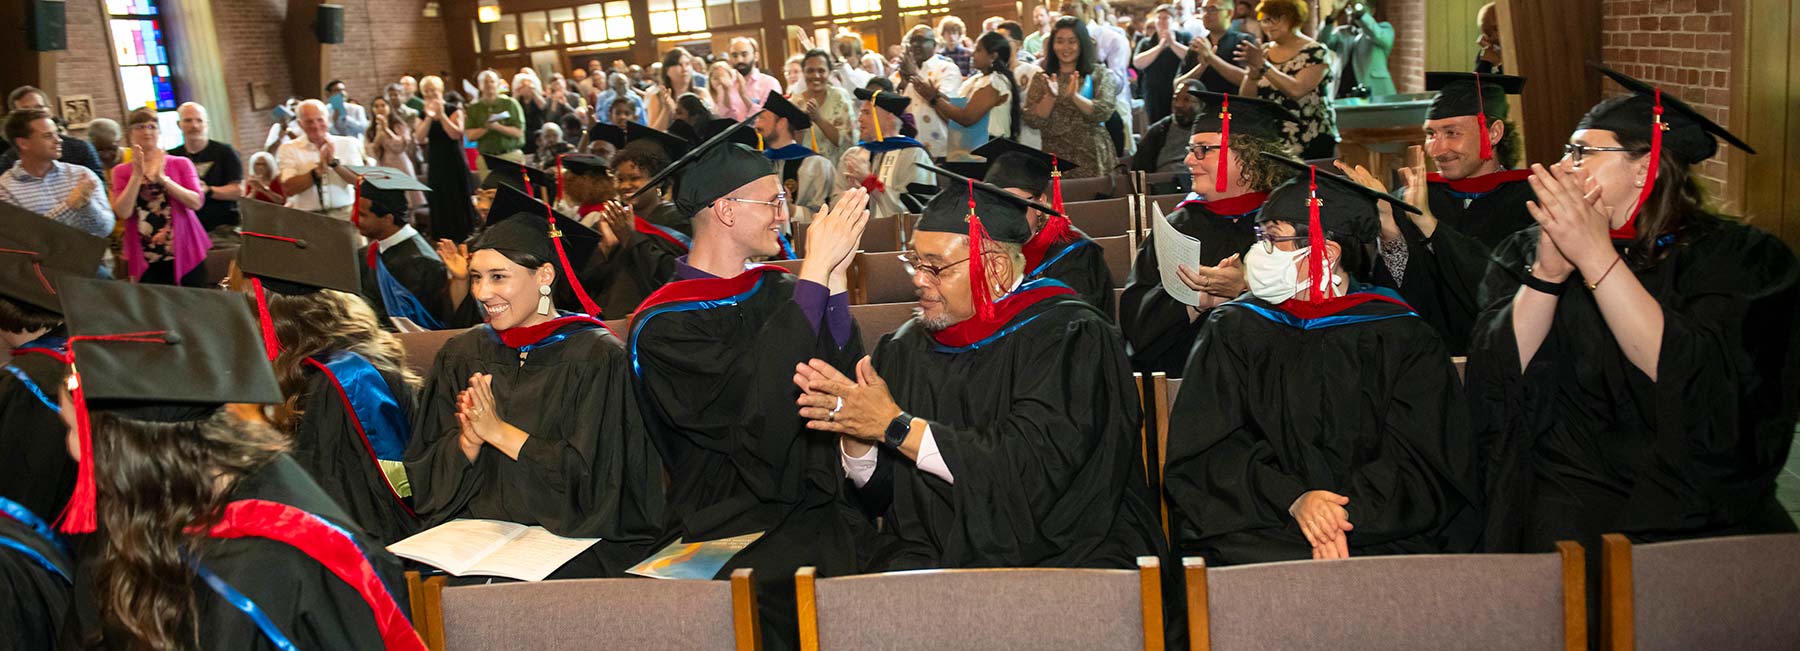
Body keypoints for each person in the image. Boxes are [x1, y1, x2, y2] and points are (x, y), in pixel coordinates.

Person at [1470, 65, 1796, 567]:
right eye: (1566, 151)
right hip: (1567, 493)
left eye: (1583, 153)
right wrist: (1547, 276)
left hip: (1695, 498)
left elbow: (1697, 385)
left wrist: (1596, 257)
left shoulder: (1741, 260)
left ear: (1645, 168)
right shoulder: (1525, 251)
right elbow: (1496, 376)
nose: (1564, 167)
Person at [795, 177, 1161, 574]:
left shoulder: (1072, 338)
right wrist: (858, 436)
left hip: (1062, 551)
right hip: (931, 555)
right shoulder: (904, 349)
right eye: (914, 262)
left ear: (997, 268)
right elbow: (886, 496)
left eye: (935, 267)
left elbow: (1032, 472)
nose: (919, 279)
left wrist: (895, 427)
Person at [52, 279, 426, 650]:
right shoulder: (147, 521)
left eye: (73, 430)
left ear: (130, 447)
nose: (70, 449)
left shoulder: (271, 566)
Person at [1164, 153, 1482, 565]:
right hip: (1267, 523)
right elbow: (1208, 450)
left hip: (1382, 531)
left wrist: (1338, 518)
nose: (1258, 253)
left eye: (1272, 240)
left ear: (1326, 251)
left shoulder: (1400, 333)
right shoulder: (1236, 328)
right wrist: (1295, 500)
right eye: (1260, 237)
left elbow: (1423, 461)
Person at [626, 122, 873, 649]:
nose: (786, 214)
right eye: (773, 200)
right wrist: (812, 278)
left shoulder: (780, 288)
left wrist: (831, 284)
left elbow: (843, 386)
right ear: (727, 209)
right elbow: (755, 416)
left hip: (814, 495)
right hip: (723, 516)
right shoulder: (664, 325)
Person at [407, 186, 665, 578]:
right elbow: (421, 473)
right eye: (476, 278)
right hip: (470, 538)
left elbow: (601, 485)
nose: (482, 293)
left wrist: (500, 433)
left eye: (498, 277)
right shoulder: (462, 352)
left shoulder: (596, 357)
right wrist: (467, 443)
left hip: (569, 544)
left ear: (544, 275)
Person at [232, 203, 423, 545]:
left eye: (230, 290)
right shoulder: (308, 362)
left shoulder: (346, 381)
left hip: (369, 548)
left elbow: (359, 507)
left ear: (265, 308)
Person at [1119, 90, 1297, 375]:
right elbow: (1137, 326)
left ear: (1248, 157)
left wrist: (1248, 287)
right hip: (1195, 387)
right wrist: (1199, 301)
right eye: (1191, 149)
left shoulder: (1292, 226)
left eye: (1202, 149)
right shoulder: (1178, 227)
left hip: (1279, 382)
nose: (1189, 160)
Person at [1353, 72, 1532, 356]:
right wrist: (1389, 230)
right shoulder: (1413, 197)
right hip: (1426, 362)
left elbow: (1498, 290)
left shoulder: (1530, 202)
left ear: (1493, 133)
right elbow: (1399, 297)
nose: (1436, 149)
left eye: (1452, 133)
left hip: (1500, 360)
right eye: (1431, 134)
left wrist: (1429, 224)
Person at [0, 200, 104, 565]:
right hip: (108, 545)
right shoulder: (97, 350)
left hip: (43, 559)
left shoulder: (21, 385)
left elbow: (16, 494)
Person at [963, 138, 1116, 313]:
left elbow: (1077, 325)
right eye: (996, 201)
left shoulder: (1075, 254)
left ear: (1040, 203)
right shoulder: (980, 245)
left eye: (1015, 201)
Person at [557, 153, 677, 318]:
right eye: (620, 179)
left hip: (647, 322)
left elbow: (670, 275)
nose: (626, 185)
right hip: (599, 320)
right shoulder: (608, 219)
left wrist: (630, 238)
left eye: (634, 178)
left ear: (658, 180)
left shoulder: (676, 221)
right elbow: (579, 285)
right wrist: (605, 251)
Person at [110, 107, 211, 286]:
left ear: (159, 131)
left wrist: (163, 179)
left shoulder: (181, 163)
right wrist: (136, 175)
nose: (147, 131)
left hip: (184, 247)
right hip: (146, 252)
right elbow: (123, 212)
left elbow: (196, 202)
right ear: (130, 133)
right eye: (140, 127)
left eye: (152, 126)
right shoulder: (121, 172)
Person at [350, 167, 452, 330]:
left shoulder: (423, 263)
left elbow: (430, 322)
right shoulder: (371, 251)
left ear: (387, 219)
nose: (353, 218)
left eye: (362, 214)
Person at [1237, 0, 1337, 159]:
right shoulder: (1263, 51)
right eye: (1265, 19)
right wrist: (1252, 74)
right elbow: (1246, 100)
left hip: (1310, 137)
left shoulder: (1315, 51)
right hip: (1271, 138)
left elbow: (1297, 90)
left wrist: (1264, 66)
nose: (1270, 25)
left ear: (1294, 19)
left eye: (1278, 19)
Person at [1024, 16, 1119, 177]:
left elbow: (1103, 112)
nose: (1065, 47)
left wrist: (1074, 96)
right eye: (1059, 41)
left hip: (1092, 156)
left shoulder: (1098, 74)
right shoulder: (1043, 77)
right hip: (1055, 157)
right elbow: (1033, 119)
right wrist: (1050, 96)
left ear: (1082, 43)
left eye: (1072, 41)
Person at [0, 109, 113, 240]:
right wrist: (69, 206)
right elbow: (27, 240)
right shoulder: (5, 189)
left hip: (90, 259)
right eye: (48, 136)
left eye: (57, 134)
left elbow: (105, 229)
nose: (58, 140)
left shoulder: (81, 174)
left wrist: (87, 205)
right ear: (23, 143)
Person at [836, 88, 932, 220]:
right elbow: (835, 202)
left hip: (898, 237)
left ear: (889, 118)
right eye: (861, 113)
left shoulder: (914, 154)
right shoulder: (853, 155)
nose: (860, 119)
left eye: (867, 113)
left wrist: (871, 183)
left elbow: (917, 208)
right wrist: (851, 197)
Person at [923, 32, 1020, 149]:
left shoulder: (996, 82)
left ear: (993, 56)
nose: (973, 54)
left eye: (978, 50)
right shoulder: (975, 80)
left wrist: (935, 98)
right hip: (968, 148)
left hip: (989, 149)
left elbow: (966, 118)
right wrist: (934, 99)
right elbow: (954, 118)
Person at [277, 99, 369, 219]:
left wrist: (334, 164)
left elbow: (360, 182)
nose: (315, 125)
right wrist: (316, 172)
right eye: (309, 121)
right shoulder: (288, 149)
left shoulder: (348, 143)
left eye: (320, 119)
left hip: (345, 214)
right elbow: (289, 189)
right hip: (307, 217)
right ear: (300, 124)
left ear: (328, 119)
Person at [758, 92, 837, 226]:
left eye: (763, 118)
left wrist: (792, 210)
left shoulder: (816, 165)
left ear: (781, 123)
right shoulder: (757, 163)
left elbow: (827, 215)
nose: (757, 125)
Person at [416, 76, 477, 244]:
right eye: (426, 92)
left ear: (440, 91)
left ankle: (465, 235)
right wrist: (429, 117)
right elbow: (419, 138)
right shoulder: (421, 114)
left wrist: (441, 115)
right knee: (439, 196)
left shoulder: (453, 109)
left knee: (457, 196)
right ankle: (444, 238)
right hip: (435, 160)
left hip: (453, 158)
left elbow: (456, 134)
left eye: (433, 90)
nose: (430, 94)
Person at [892, 25, 963, 159]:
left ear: (934, 44)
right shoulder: (903, 72)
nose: (915, 45)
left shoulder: (947, 69)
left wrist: (913, 75)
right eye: (912, 41)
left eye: (920, 40)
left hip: (940, 148)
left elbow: (945, 104)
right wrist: (904, 83)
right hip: (911, 148)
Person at [1, 86, 104, 176]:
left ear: (50, 111)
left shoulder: (81, 149)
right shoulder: (9, 160)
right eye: (25, 110)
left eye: (39, 107)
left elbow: (98, 188)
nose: (34, 113)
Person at [1174, 0, 1254, 95]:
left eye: (1213, 9)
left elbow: (1249, 80)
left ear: (1229, 13)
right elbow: (1177, 84)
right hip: (1199, 107)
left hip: (1231, 106)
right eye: (1204, 9)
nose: (1206, 14)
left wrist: (1211, 58)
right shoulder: (1198, 45)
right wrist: (1201, 67)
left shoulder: (1243, 41)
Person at [793, 49, 858, 165]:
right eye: (810, 71)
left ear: (829, 73)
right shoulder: (795, 102)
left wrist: (818, 119)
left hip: (837, 169)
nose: (816, 76)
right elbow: (792, 147)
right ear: (803, 72)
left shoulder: (839, 97)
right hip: (805, 171)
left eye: (821, 71)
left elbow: (847, 141)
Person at [1321, 2, 1397, 100]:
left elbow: (1375, 34)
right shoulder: (1342, 33)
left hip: (1374, 92)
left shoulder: (1384, 29)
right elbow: (1322, 43)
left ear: (1372, 11)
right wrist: (1332, 17)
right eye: (1349, 9)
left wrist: (1360, 12)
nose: (1352, 13)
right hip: (1342, 92)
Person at [1132, 4, 1193, 125]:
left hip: (1178, 92)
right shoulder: (1147, 42)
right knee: (1156, 125)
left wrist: (1173, 44)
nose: (1161, 21)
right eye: (1159, 18)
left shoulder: (1185, 37)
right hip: (1154, 93)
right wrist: (1160, 47)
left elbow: (1192, 58)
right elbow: (1138, 63)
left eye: (1165, 18)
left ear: (1173, 20)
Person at [366, 96, 426, 212]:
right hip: (382, 166)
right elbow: (371, 152)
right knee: (386, 206)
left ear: (389, 107)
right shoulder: (370, 129)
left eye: (383, 105)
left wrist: (386, 130)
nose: (380, 109)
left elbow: (401, 146)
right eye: (376, 106)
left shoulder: (399, 125)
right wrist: (378, 136)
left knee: (406, 204)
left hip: (400, 164)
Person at [1131, 79, 1202, 173]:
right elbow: (1140, 169)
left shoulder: (1211, 131)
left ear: (1201, 104)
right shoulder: (1159, 130)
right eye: (1175, 99)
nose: (1178, 105)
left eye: (1186, 100)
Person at [649, 48, 710, 131]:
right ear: (667, 70)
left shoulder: (701, 93)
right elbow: (653, 133)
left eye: (687, 64)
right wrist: (666, 109)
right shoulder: (657, 97)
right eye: (679, 64)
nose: (684, 69)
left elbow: (710, 124)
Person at [729, 37, 785, 111]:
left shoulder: (769, 83)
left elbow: (769, 116)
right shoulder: (728, 85)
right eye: (735, 56)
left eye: (744, 55)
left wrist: (744, 96)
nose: (739, 60)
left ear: (756, 56)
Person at [1475, 2, 1503, 74]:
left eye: (1496, 29)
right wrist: (1485, 61)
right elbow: (1478, 82)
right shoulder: (1485, 53)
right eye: (1488, 33)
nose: (1494, 37)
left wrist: (1498, 63)